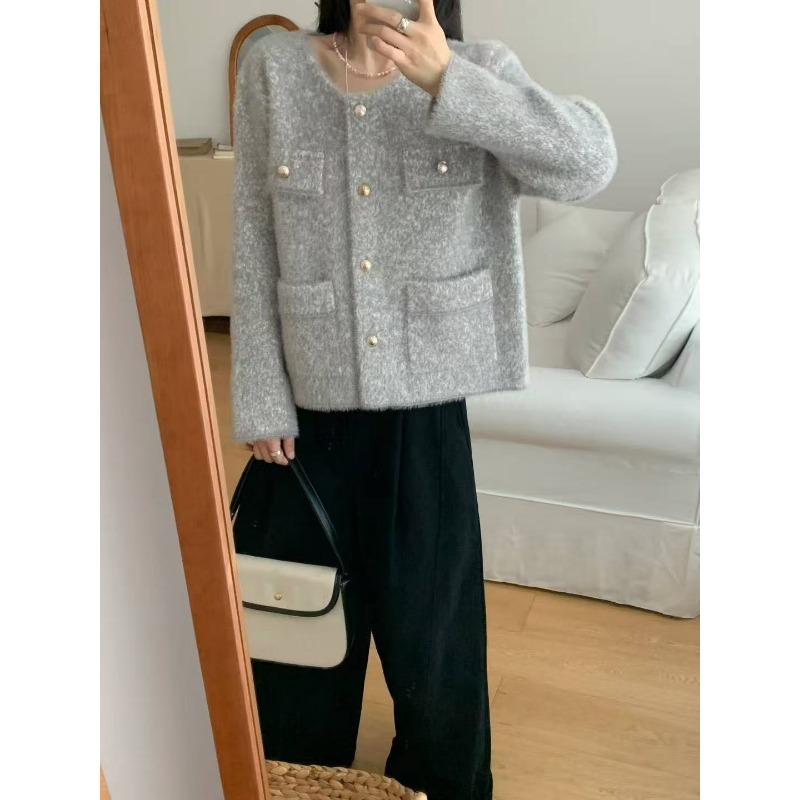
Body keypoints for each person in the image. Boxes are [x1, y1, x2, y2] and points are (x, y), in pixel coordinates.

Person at [230, 2, 617, 798]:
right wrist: (261, 396)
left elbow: (588, 164)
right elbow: (252, 236)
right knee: (296, 637)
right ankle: (301, 781)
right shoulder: (276, 68)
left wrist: (450, 83)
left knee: (435, 644)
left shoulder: (479, 71)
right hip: (304, 423)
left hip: (427, 420)